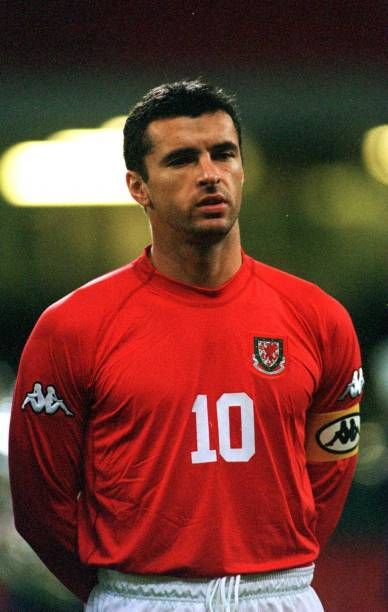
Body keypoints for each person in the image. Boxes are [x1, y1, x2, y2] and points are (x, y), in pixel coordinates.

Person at [9, 79, 364, 611]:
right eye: (181, 160)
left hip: (280, 595)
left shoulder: (319, 318)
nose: (209, 174)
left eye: (224, 154)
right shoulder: (72, 328)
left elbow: (329, 480)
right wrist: (125, 594)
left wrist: (274, 569)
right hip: (140, 594)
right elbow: (42, 508)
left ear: (243, 167)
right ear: (138, 186)